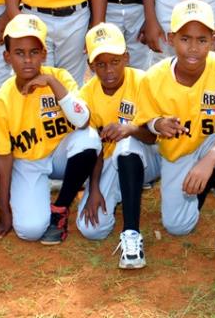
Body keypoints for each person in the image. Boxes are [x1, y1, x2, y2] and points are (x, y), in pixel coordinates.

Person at [134, 0, 215, 278]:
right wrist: (155, 124)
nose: (193, 47)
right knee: (177, 227)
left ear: (213, 40)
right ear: (170, 38)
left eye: (202, 39)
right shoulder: (153, 77)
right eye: (185, 38)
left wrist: (210, 160)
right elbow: (142, 130)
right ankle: (209, 179)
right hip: (177, 152)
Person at [0, 14, 101, 244]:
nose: (27, 60)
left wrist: (51, 83)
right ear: (7, 57)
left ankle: (60, 206)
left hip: (61, 156)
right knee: (30, 231)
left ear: (44, 54)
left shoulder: (60, 78)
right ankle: (38, 193)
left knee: (88, 139)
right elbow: (4, 157)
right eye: (19, 53)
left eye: (34, 52)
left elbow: (84, 120)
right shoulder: (2, 100)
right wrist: (4, 210)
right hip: (29, 163)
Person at [75, 23, 161, 269]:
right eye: (100, 64)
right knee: (91, 228)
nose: (108, 70)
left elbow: (155, 137)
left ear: (126, 57)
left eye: (114, 61)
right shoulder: (87, 94)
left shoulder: (143, 81)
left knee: (126, 145)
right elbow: (94, 149)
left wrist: (130, 129)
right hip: (111, 163)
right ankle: (125, 188)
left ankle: (131, 234)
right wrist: (94, 189)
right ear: (91, 66)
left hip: (152, 158)